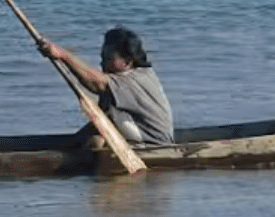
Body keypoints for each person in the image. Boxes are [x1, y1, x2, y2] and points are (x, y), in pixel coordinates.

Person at [37, 26, 174, 147]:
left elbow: (95, 83)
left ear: (127, 62)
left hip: (154, 141)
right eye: (102, 57)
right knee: (95, 131)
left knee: (96, 141)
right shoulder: (122, 78)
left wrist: (62, 55)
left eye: (108, 59)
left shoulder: (135, 78)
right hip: (134, 131)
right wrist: (72, 142)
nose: (102, 63)